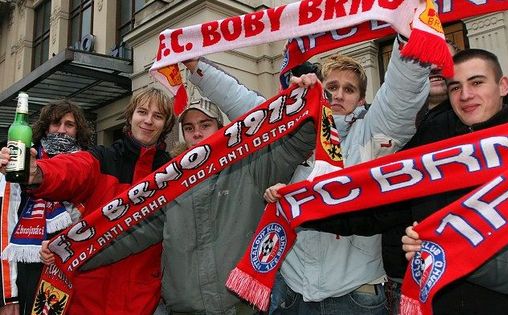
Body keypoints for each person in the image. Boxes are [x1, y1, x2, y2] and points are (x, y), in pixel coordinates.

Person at [304, 22, 508, 315]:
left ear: (502, 86)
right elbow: (379, 199)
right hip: (434, 295)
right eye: (456, 86)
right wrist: (304, 207)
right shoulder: (426, 138)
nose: (465, 94)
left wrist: (456, 247)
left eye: (476, 82)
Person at [67, 59, 317, 314]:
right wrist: (71, 253)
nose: (197, 133)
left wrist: (304, 99)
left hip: (240, 307)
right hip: (182, 308)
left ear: (221, 128)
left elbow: (296, 143)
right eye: (189, 128)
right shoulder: (171, 179)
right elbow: (134, 232)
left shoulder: (251, 164)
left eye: (205, 125)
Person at [262, 34, 431, 315]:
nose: (338, 95)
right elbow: (246, 110)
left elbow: (401, 96)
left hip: (354, 294)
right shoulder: (297, 133)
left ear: (361, 98)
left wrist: (409, 36)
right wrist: (199, 71)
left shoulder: (373, 134)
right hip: (292, 290)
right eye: (331, 87)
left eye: (349, 89)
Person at [1, 87, 176, 315]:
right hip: (88, 297)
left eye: (158, 116)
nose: (148, 121)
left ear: (166, 125)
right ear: (131, 116)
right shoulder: (102, 158)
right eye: (142, 112)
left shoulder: (173, 171)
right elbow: (71, 169)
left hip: (142, 299)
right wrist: (38, 173)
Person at [0, 100, 92, 315]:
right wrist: (7, 295)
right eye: (55, 123)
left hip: (74, 270)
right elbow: (4, 227)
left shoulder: (89, 163)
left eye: (69, 125)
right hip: (28, 270)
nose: (61, 130)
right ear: (45, 127)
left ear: (78, 131)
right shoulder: (20, 160)